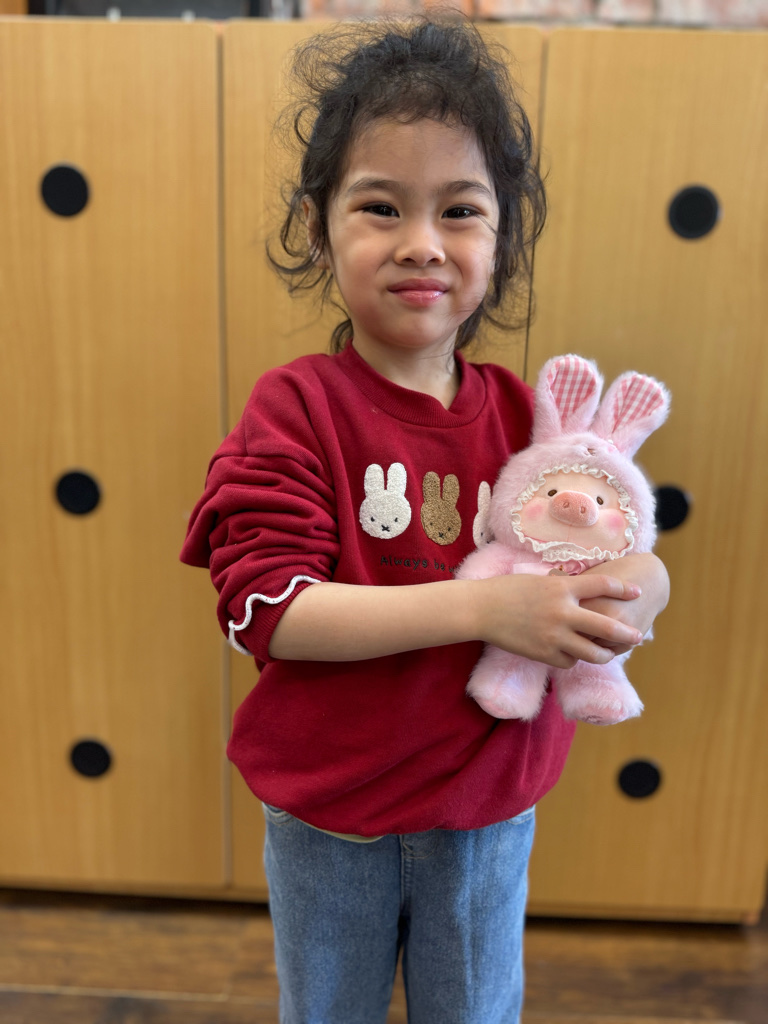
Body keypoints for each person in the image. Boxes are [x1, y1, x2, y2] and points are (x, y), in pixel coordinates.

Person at [180, 18, 669, 1024]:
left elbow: (624, 551)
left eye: (460, 210)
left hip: (488, 816)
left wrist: (640, 593)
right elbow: (271, 610)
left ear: (502, 237)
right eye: (380, 206)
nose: (422, 243)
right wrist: (486, 611)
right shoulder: (295, 408)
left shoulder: (531, 424)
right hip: (330, 819)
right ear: (317, 226)